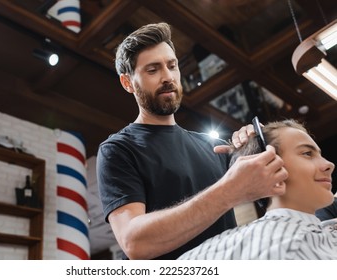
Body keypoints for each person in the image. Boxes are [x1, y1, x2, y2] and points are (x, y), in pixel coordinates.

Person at [96, 22, 287, 260]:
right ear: (128, 83)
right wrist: (229, 190)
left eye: (172, 66)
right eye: (153, 70)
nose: (167, 77)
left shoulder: (213, 147)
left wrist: (254, 149)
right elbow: (135, 243)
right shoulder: (119, 150)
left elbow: (272, 192)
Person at [178, 119, 337, 260]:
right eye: (307, 153)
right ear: (268, 168)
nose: (329, 164)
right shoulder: (292, 249)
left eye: (320, 154)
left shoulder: (208, 252)